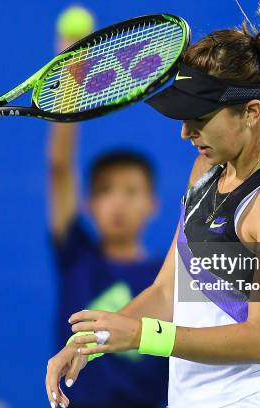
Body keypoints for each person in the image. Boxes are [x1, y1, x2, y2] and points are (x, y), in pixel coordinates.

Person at [45, 5, 260, 408]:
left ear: (251, 112)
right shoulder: (205, 169)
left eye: (200, 118)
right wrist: (92, 342)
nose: (185, 132)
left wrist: (143, 336)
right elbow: (166, 291)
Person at [47, 116, 169, 408]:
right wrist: (67, 106)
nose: (118, 203)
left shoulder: (168, 277)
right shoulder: (76, 256)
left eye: (131, 191)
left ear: (152, 203)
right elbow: (59, 168)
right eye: (105, 190)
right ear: (87, 203)